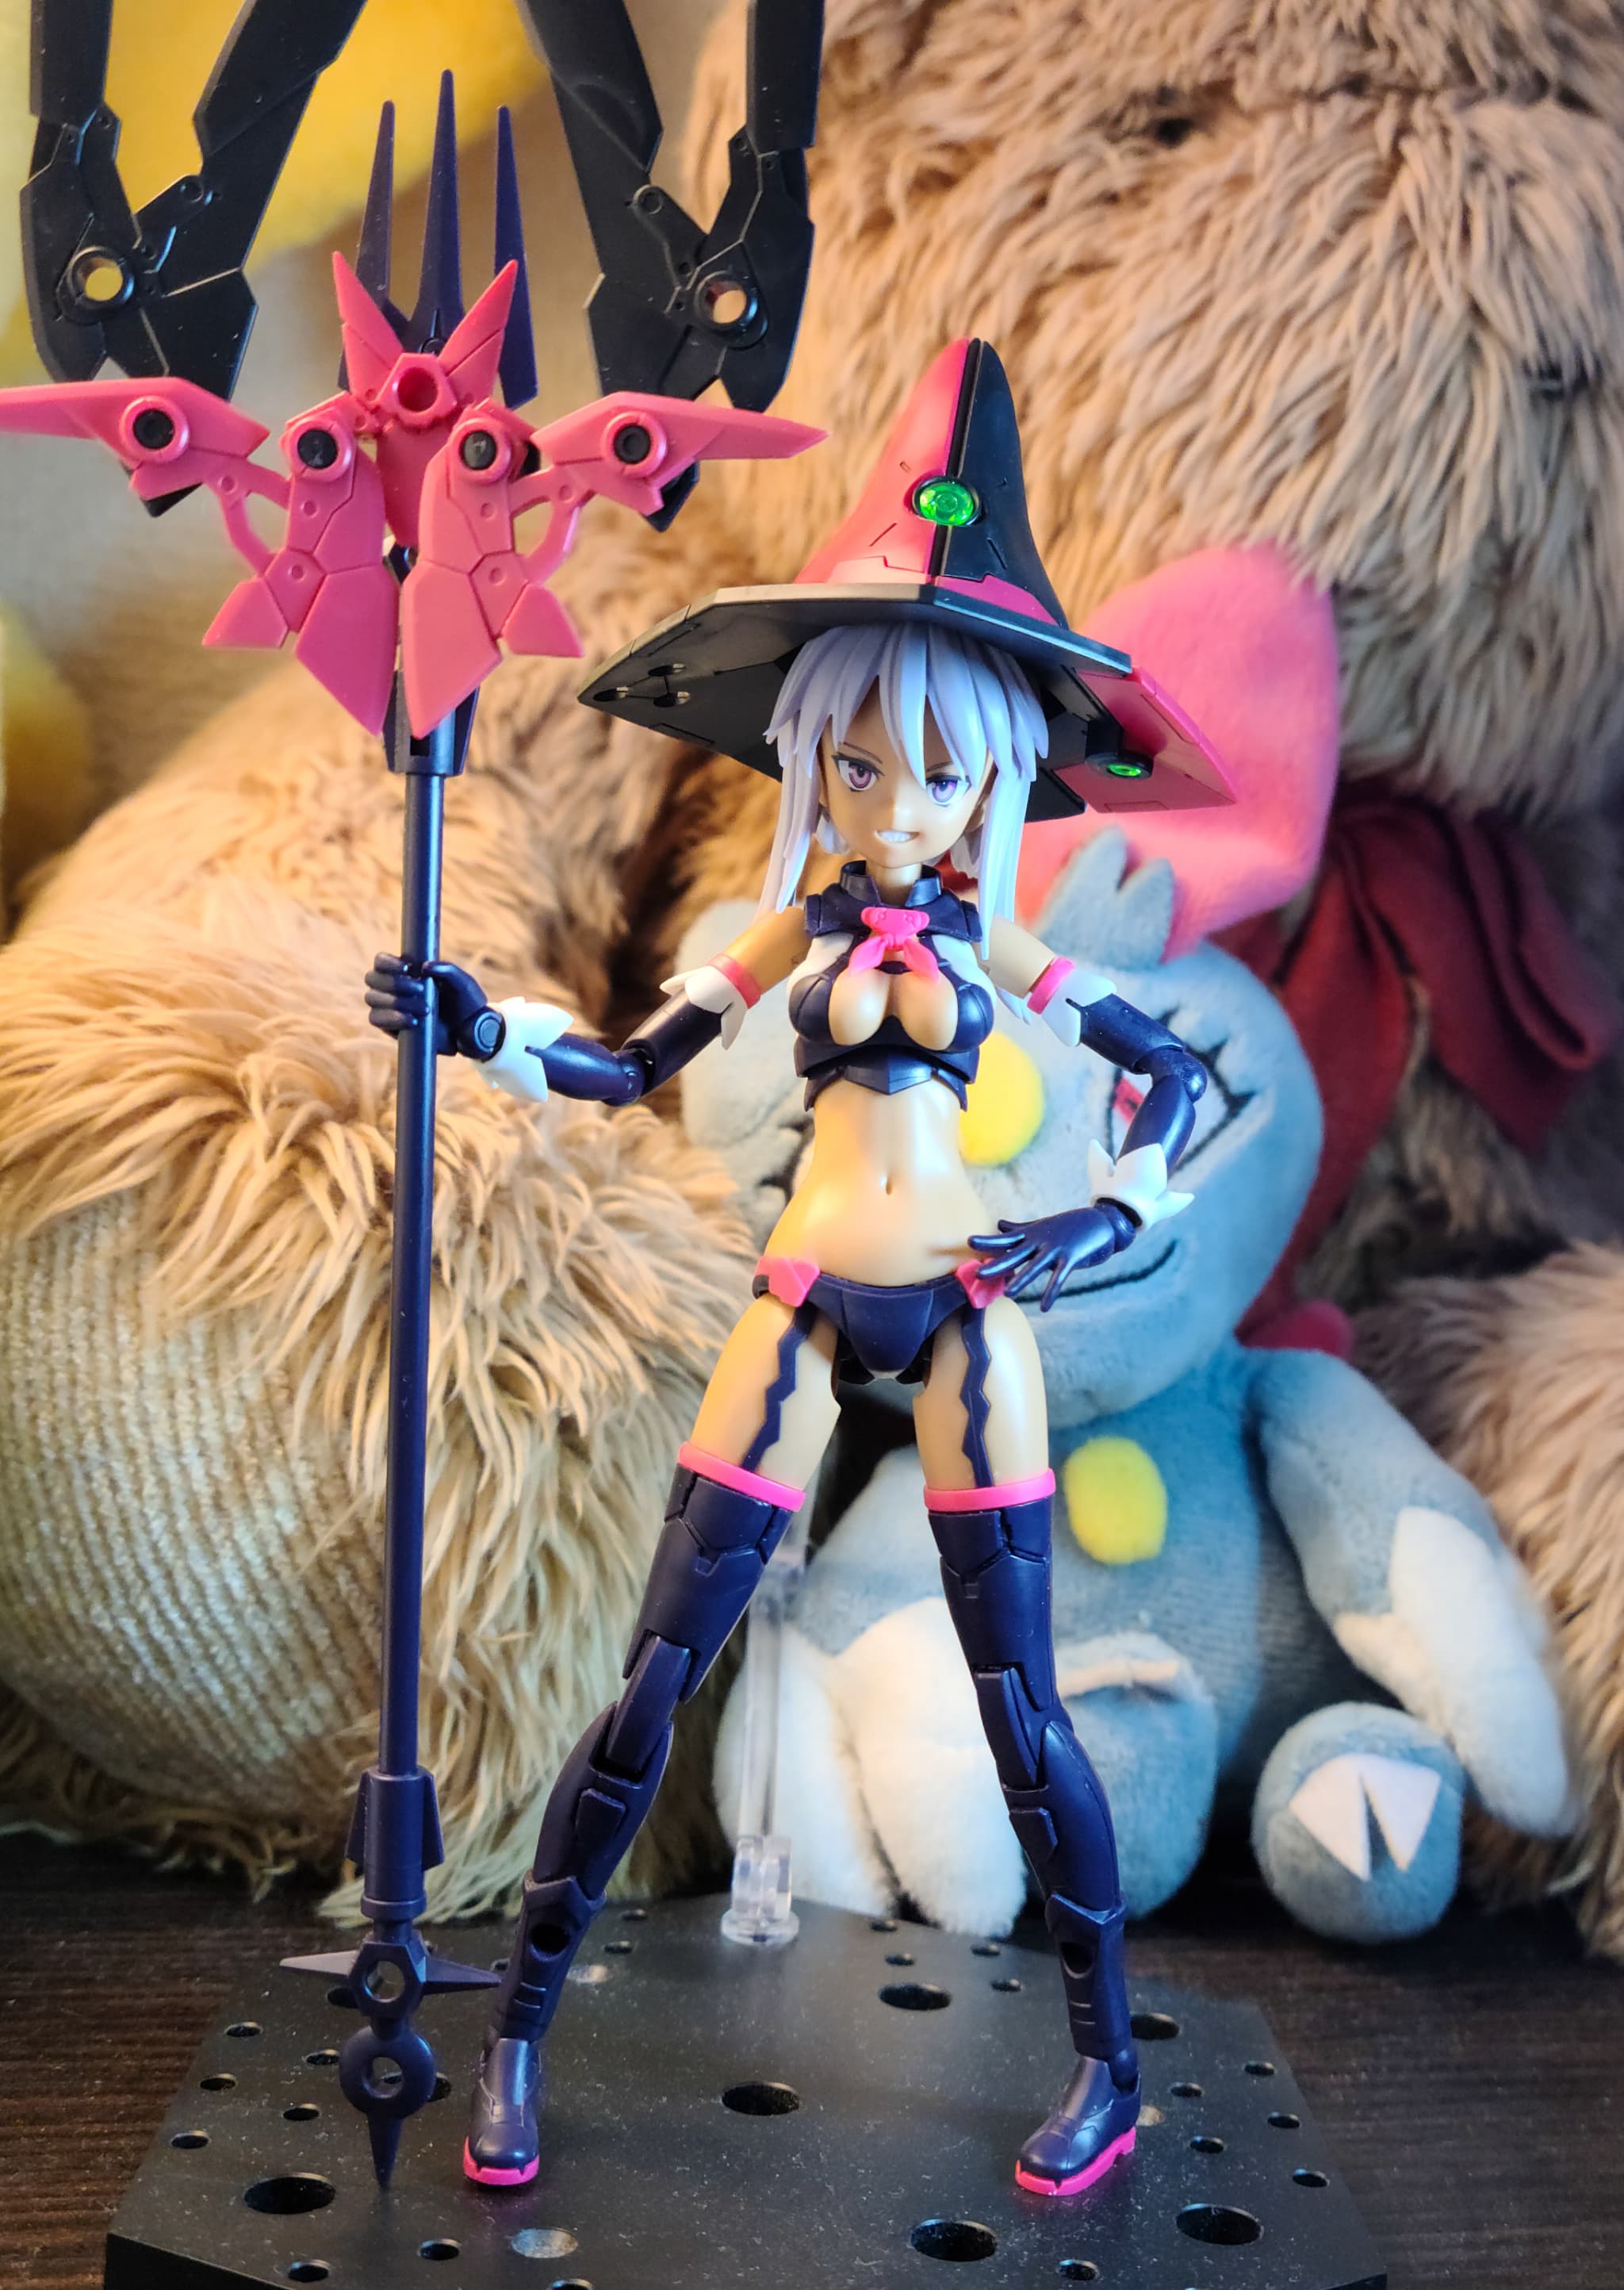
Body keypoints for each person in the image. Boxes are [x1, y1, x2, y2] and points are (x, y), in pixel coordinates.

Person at [366, 339, 1230, 2197]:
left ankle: (1105, 2064)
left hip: (971, 1306)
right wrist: (477, 1026)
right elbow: (625, 1070)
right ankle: (513, 2041)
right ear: (808, 755)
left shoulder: (1003, 949)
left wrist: (1112, 1216)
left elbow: (1175, 1079)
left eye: (935, 770)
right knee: (652, 1677)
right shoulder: (791, 930)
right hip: (801, 1296)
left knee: (1019, 1707)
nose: (891, 802)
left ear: (996, 776)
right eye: (853, 761)